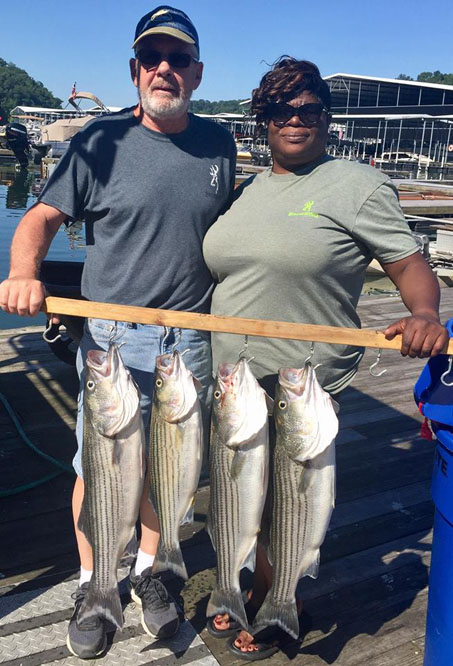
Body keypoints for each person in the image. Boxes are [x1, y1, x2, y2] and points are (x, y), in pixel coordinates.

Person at [0, 5, 236, 659]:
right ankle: (95, 582)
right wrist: (23, 273)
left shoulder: (219, 144)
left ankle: (151, 572)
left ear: (197, 73)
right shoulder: (98, 142)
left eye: (177, 59)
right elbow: (40, 219)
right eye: (151, 58)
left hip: (188, 337)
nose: (164, 69)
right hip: (111, 338)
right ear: (134, 71)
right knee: (99, 465)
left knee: (167, 469)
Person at [202, 57, 448, 660]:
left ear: (327, 117)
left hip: (300, 383)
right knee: (236, 494)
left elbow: (410, 267)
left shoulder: (356, 186)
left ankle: (275, 596)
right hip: (232, 377)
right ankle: (240, 583)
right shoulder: (246, 189)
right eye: (280, 110)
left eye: (308, 109)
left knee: (286, 499)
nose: (295, 120)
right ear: (262, 120)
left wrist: (424, 314)